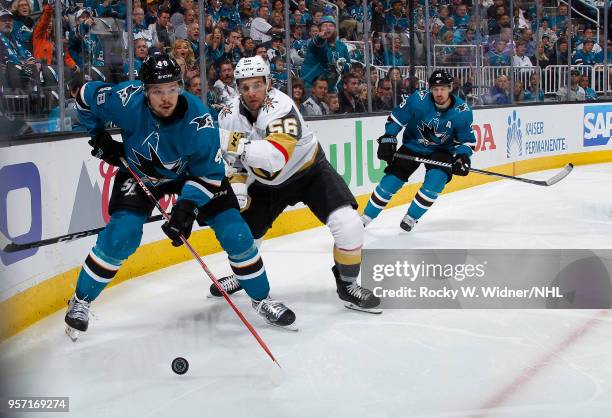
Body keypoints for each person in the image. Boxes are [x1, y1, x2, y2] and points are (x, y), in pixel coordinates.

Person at [65, 53, 296, 340]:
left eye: (172, 89)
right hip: (141, 171)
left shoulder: (200, 120)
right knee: (121, 235)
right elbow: (85, 96)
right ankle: (80, 301)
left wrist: (186, 209)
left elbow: (209, 176)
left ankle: (262, 299)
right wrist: (98, 136)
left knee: (235, 232)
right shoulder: (124, 99)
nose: (166, 98)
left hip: (192, 174)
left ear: (180, 86)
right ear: (144, 90)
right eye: (158, 91)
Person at [212, 55, 380, 312]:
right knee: (245, 239)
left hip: (308, 171)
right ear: (237, 87)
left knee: (349, 225)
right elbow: (234, 163)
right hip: (264, 182)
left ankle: (347, 284)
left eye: (257, 84)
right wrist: (238, 183)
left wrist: (229, 141)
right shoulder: (228, 115)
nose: (252, 92)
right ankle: (243, 275)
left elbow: (274, 158)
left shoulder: (281, 105)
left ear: (268, 83)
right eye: (245, 87)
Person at [361, 70, 476, 231]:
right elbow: (397, 118)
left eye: (443, 88)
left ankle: (411, 217)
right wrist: (389, 137)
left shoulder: (462, 112)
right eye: (435, 89)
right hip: (412, 145)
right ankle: (366, 217)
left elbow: (467, 141)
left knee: (436, 180)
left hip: (442, 150)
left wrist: (463, 156)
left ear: (450, 88)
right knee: (391, 181)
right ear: (430, 89)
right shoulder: (418, 99)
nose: (439, 93)